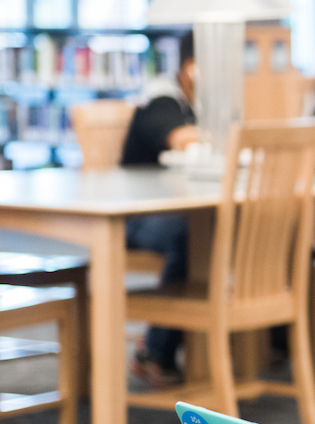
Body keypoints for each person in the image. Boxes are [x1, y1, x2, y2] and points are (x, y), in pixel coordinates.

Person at [121, 31, 199, 388]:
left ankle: (273, 345)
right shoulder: (161, 99)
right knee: (191, 234)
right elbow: (181, 139)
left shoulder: (194, 102)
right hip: (134, 213)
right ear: (192, 68)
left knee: (209, 228)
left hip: (177, 206)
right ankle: (156, 351)